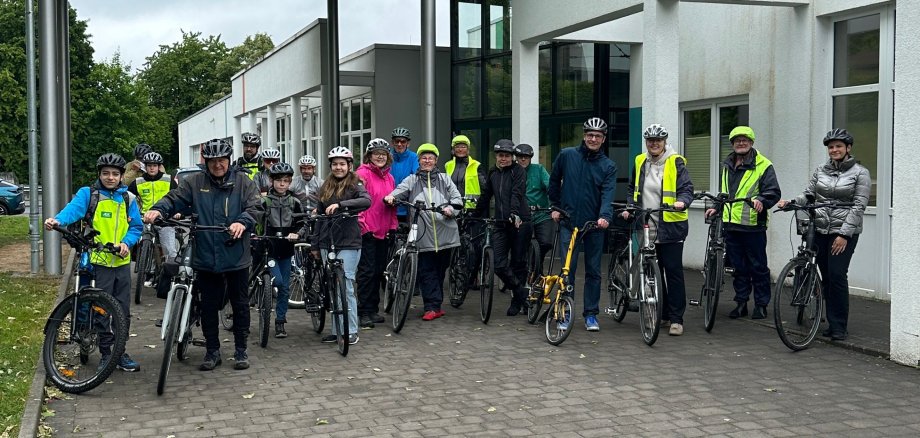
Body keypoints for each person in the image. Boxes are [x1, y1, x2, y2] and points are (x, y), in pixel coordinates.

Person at [143, 139, 261, 371]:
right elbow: (174, 199)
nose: (218, 165)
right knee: (208, 304)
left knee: (239, 304)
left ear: (228, 160)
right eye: (212, 161)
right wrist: (159, 208)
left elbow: (255, 207)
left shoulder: (242, 182)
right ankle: (212, 351)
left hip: (236, 253)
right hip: (206, 253)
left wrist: (242, 222)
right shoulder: (195, 183)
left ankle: (240, 350)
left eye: (222, 160)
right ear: (205, 162)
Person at [44, 153, 143, 372]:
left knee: (123, 311)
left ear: (121, 176)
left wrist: (127, 242)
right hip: (98, 262)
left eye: (115, 174)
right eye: (106, 173)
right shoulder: (89, 194)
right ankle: (107, 353)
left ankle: (120, 351)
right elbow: (73, 210)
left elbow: (137, 227)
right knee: (101, 310)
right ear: (99, 174)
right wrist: (57, 220)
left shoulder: (129, 198)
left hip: (121, 263)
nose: (110, 177)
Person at [776, 128, 870, 341]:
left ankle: (839, 326)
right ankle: (827, 319)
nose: (834, 150)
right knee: (825, 276)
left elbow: (859, 205)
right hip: (819, 228)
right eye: (831, 147)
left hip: (843, 232)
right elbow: (809, 193)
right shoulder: (821, 170)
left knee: (837, 275)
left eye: (838, 146)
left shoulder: (860, 172)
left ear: (848, 148)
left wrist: (844, 235)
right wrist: (791, 202)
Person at [623, 124, 694, 336]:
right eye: (650, 140)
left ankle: (676, 319)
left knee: (672, 271)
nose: (654, 144)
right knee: (654, 271)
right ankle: (662, 314)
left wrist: (682, 201)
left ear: (664, 142)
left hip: (671, 225)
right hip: (646, 224)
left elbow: (687, 189)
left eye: (658, 140)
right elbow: (632, 188)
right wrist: (629, 206)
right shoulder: (640, 161)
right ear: (646, 142)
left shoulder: (675, 161)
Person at [548, 117, 617, 332]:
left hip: (594, 225)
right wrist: (555, 207)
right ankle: (565, 312)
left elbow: (608, 194)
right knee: (568, 270)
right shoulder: (567, 155)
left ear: (603, 139)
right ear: (584, 136)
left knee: (594, 271)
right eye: (590, 135)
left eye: (597, 136)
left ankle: (591, 314)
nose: (593, 138)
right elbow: (554, 180)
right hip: (569, 222)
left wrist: (605, 216)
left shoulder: (608, 166)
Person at [706, 126, 781, 320]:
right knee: (738, 268)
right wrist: (716, 206)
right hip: (731, 224)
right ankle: (741, 303)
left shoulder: (763, 165)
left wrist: (762, 201)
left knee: (758, 267)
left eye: (745, 140)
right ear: (732, 144)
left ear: (751, 142)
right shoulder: (727, 165)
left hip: (753, 224)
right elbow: (724, 192)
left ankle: (761, 305)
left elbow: (773, 192)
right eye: (737, 140)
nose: (741, 143)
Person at [384, 143, 463, 321]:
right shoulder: (412, 180)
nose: (427, 161)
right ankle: (432, 307)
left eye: (430, 158)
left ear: (436, 161)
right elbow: (398, 192)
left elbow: (457, 198)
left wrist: (452, 209)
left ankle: (436, 305)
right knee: (426, 270)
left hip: (446, 233)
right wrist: (391, 197)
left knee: (440, 270)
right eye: (424, 158)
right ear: (419, 160)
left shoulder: (444, 179)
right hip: (422, 233)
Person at [310, 146, 371, 345]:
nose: (338, 167)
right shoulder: (325, 187)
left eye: (342, 164)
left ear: (349, 166)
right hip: (328, 242)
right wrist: (315, 245)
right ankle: (337, 330)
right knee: (333, 286)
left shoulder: (355, 184)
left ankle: (351, 330)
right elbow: (319, 218)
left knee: (345, 285)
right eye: (335, 164)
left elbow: (366, 201)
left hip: (349, 242)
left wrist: (342, 205)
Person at [475, 139, 532, 316]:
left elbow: (517, 193)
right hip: (500, 223)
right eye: (500, 155)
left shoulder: (518, 171)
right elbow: (486, 196)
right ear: (496, 156)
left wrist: (514, 214)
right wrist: (474, 214)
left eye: (507, 156)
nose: (503, 159)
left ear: (512, 157)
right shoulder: (493, 172)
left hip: (519, 221)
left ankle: (516, 301)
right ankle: (521, 291)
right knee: (498, 264)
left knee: (518, 263)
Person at [258, 162, 305, 339]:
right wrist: (256, 235)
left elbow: (302, 223)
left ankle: (280, 322)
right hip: (268, 248)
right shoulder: (264, 201)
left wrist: (297, 233)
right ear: (271, 181)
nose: (282, 184)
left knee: (285, 288)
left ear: (290, 182)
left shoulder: (295, 202)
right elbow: (255, 221)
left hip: (286, 248)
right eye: (279, 181)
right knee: (276, 282)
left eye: (286, 181)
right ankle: (262, 297)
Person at [355, 139, 398, 328]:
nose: (380, 156)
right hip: (367, 231)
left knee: (378, 271)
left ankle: (372, 310)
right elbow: (359, 203)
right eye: (376, 153)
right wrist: (363, 227)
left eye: (383, 153)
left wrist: (393, 227)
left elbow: (391, 206)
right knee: (366, 272)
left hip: (383, 231)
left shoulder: (389, 177)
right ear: (369, 156)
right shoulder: (361, 174)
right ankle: (363, 311)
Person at [127, 152, 179, 266]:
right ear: (145, 166)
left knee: (170, 251)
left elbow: (178, 197)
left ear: (159, 166)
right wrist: (128, 214)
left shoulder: (168, 180)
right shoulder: (138, 182)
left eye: (154, 165)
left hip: (165, 219)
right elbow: (127, 199)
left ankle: (171, 276)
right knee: (128, 241)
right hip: (144, 219)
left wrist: (177, 212)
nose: (152, 168)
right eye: (149, 165)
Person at [514, 143, 553, 264]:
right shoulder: (512, 171)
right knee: (520, 247)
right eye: (520, 156)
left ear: (531, 157)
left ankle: (536, 264)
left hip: (541, 214)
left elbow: (550, 186)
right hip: (522, 216)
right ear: (516, 157)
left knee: (546, 243)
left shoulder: (539, 169)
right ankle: (527, 269)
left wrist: (555, 202)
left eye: (526, 156)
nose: (523, 159)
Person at [445, 134, 486, 210]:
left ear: (468, 149)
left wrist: (479, 209)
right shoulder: (448, 165)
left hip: (472, 209)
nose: (460, 149)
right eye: (457, 147)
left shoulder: (476, 165)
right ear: (453, 149)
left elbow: (485, 190)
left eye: (463, 147)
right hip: (452, 208)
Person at [389, 127, 418, 222]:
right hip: (389, 204)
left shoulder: (414, 157)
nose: (399, 144)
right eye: (396, 141)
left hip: (407, 205)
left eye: (403, 141)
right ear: (392, 142)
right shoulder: (387, 157)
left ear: (408, 143)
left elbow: (416, 176)